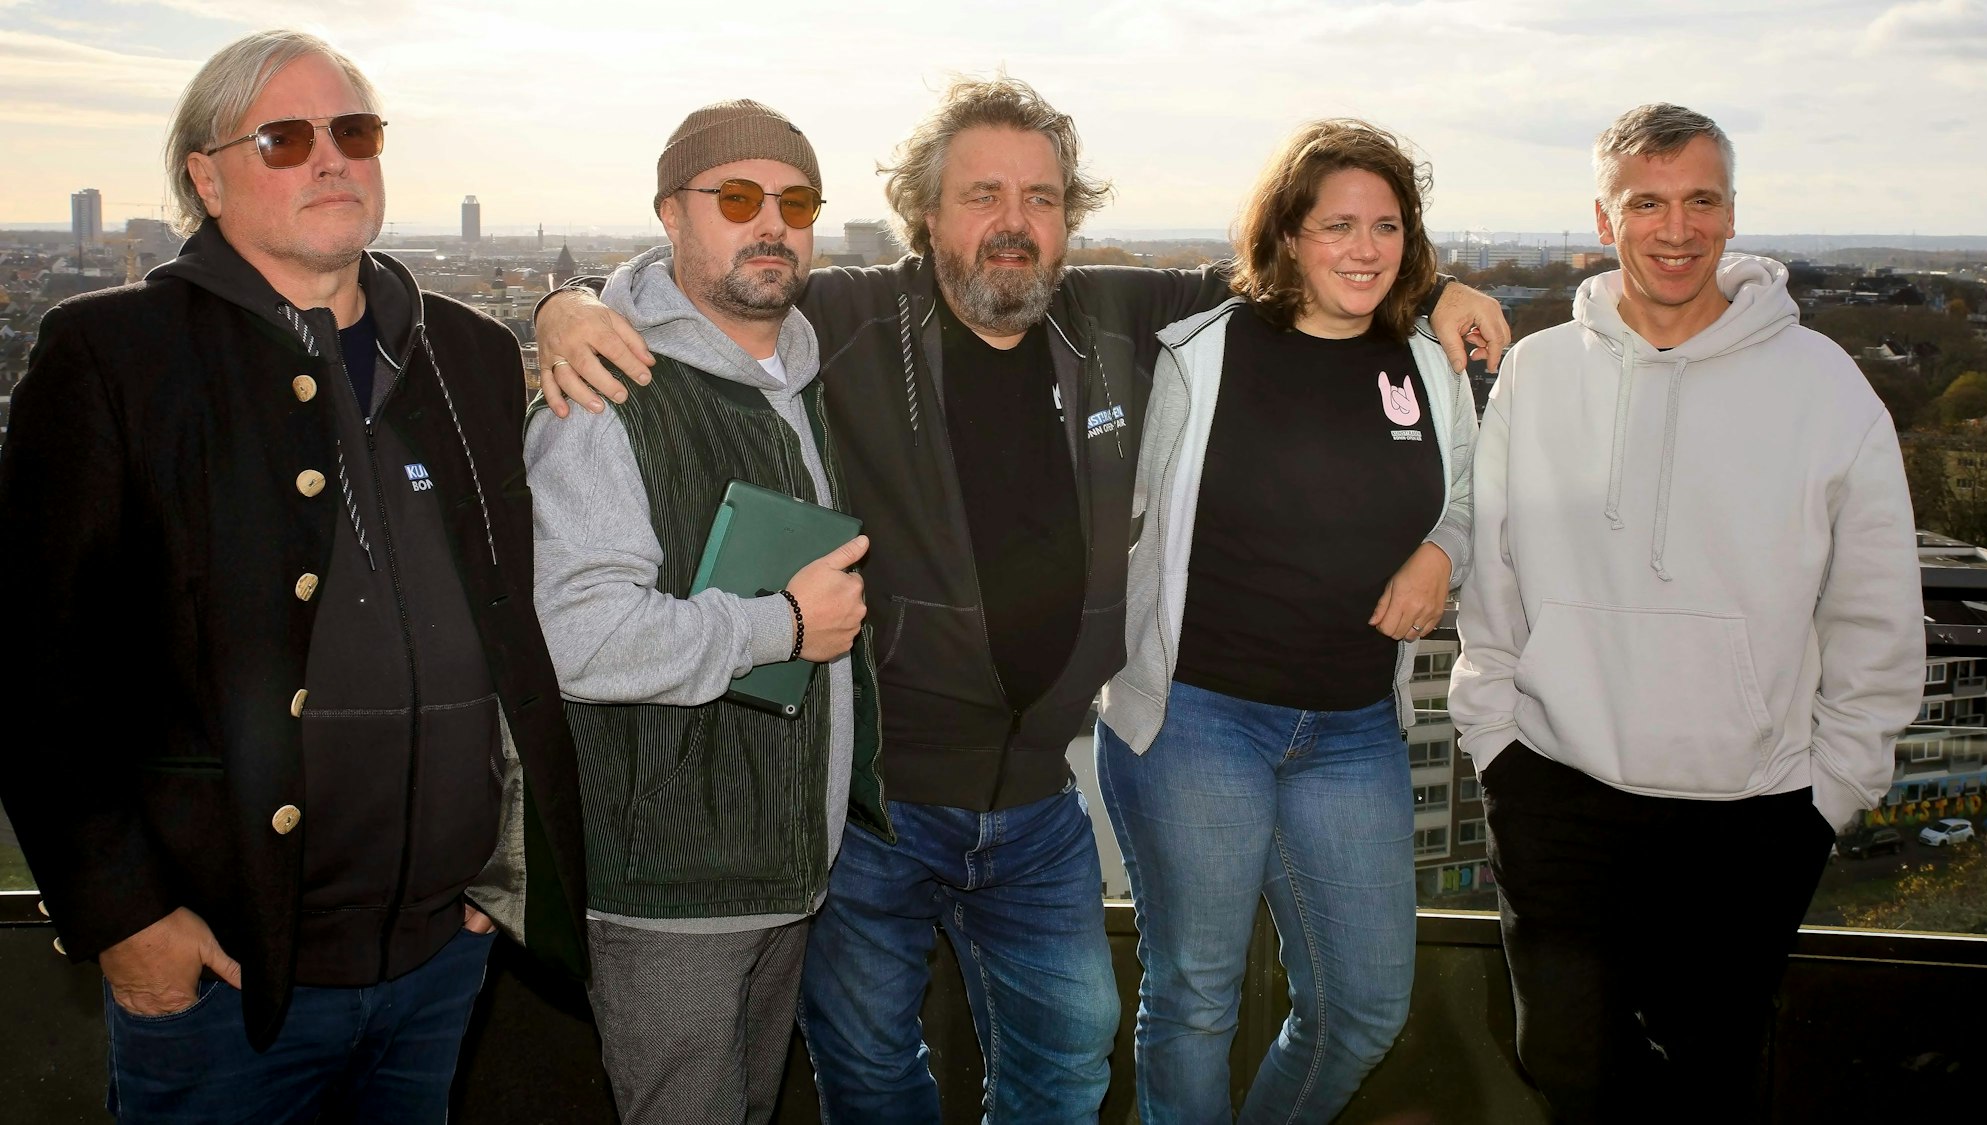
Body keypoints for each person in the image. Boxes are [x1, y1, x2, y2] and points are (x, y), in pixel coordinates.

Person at [535, 77, 1510, 1124]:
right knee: (868, 1067)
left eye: (1041, 199)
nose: (1014, 224)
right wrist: (575, 303)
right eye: (981, 196)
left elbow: (1298, 271)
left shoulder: (1119, 318)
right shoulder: (851, 314)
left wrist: (1436, 286)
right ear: (923, 214)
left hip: (1038, 803)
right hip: (875, 801)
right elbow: (721, 287)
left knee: (1069, 1058)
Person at [0, 29, 586, 1123]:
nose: (330, 158)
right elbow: (37, 665)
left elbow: (512, 624)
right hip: (228, 974)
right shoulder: (114, 354)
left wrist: (495, 876)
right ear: (206, 178)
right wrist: (124, 917)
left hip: (439, 955)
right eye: (284, 137)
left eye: (353, 132)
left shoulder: (463, 351)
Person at [1449, 103, 1923, 1122]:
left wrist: (1826, 795)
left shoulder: (1824, 388)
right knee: (1566, 1069)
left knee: (1705, 1085)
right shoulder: (1537, 373)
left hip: (1749, 815)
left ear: (1730, 212)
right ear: (1602, 217)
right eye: (1647, 203)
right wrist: (1495, 741)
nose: (1675, 229)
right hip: (1558, 791)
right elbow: (1491, 578)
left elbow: (1875, 616)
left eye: (1699, 201)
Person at [1097, 119, 1474, 1123]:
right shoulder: (1198, 354)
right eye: (1335, 225)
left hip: (1351, 729)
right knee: (1195, 1001)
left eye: (1384, 226)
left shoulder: (1427, 367)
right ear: (1287, 236)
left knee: (1361, 1006)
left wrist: (1441, 552)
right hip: (1197, 721)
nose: (1361, 248)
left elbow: (1469, 499)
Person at [523, 99, 877, 1125]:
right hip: (669, 884)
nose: (771, 222)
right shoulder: (610, 390)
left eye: (795, 200)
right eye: (735, 197)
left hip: (786, 864)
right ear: (670, 218)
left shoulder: (803, 377)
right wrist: (779, 627)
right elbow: (574, 634)